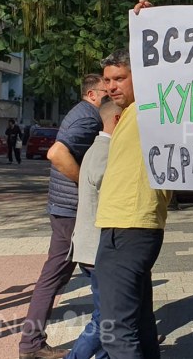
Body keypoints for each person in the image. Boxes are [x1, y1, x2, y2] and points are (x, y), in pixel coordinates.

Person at [19, 74, 106, 359]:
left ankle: (126, 330)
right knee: (62, 276)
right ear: (92, 95)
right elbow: (57, 153)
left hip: (66, 209)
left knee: (101, 274)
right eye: (106, 92)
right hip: (71, 211)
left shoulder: (82, 113)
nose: (113, 96)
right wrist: (87, 185)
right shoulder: (88, 117)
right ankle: (30, 344)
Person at [95, 47, 171, 358]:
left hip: (129, 227)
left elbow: (170, 73)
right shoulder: (127, 114)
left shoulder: (151, 107)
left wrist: (153, 30)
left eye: (120, 78)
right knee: (138, 323)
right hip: (126, 226)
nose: (111, 86)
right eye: (107, 80)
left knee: (116, 332)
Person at [66, 98, 122, 359]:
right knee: (105, 319)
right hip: (97, 250)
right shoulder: (105, 151)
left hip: (93, 249)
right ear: (118, 120)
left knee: (109, 315)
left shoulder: (98, 148)